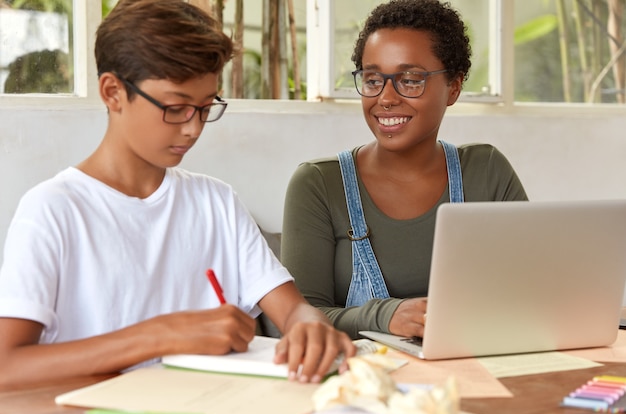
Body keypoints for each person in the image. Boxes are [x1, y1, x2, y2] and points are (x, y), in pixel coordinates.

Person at [0, 0, 355, 389]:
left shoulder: (215, 202)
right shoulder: (53, 210)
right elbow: (7, 366)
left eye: (205, 107)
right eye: (175, 107)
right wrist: (157, 336)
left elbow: (295, 312)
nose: (193, 129)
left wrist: (308, 327)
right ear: (113, 92)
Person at [281, 0, 528, 340]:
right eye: (372, 79)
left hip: (471, 372)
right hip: (365, 383)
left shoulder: (486, 172)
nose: (385, 97)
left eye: (410, 80)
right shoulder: (319, 184)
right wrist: (384, 315)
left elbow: (530, 296)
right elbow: (299, 320)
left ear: (453, 87)